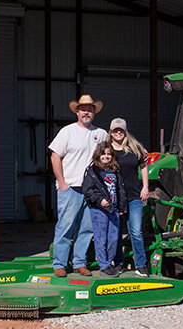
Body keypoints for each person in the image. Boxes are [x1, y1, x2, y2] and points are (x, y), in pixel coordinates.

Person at [49, 94, 108, 278]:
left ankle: (79, 263)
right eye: (83, 109)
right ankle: (59, 264)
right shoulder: (67, 132)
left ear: (94, 113)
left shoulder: (101, 134)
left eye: (90, 109)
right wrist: (62, 182)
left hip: (92, 190)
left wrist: (139, 150)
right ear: (77, 112)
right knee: (65, 226)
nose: (86, 112)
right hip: (71, 187)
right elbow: (55, 156)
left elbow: (114, 151)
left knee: (87, 228)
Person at [109, 118, 150, 277]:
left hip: (133, 196)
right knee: (116, 232)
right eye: (115, 130)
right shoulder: (107, 150)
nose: (118, 132)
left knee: (136, 231)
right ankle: (117, 263)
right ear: (111, 132)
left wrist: (145, 187)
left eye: (121, 130)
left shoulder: (135, 149)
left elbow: (144, 167)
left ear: (125, 131)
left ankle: (140, 265)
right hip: (116, 198)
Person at [81, 141, 128, 277]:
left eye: (108, 154)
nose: (106, 157)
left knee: (113, 238)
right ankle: (104, 266)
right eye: (103, 154)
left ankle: (111, 261)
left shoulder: (114, 171)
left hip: (114, 210)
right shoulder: (93, 171)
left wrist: (121, 207)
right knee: (101, 238)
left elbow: (120, 190)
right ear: (98, 155)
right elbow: (87, 190)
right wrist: (100, 200)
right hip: (99, 210)